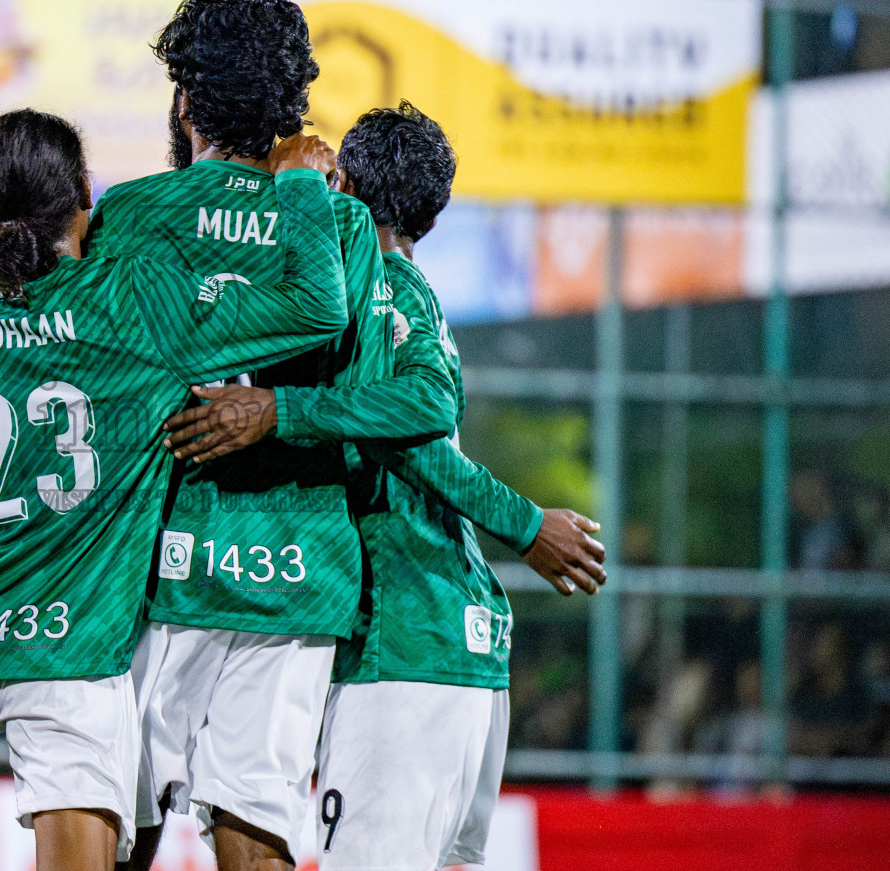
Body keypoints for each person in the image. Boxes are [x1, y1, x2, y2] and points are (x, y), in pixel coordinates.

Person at [0, 108, 347, 871]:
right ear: (87, 197)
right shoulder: (136, 310)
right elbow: (314, 308)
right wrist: (296, 185)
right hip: (72, 650)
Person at [161, 103, 606, 870]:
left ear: (347, 182)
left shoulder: (377, 291)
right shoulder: (415, 294)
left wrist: (526, 524)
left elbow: (421, 429)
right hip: (456, 651)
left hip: (403, 645)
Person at [89, 0, 455, 871]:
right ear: (296, 106)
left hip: (159, 566)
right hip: (298, 570)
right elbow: (383, 406)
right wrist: (286, 411)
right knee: (257, 823)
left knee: (111, 817)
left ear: (185, 100)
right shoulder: (340, 224)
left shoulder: (133, 215)